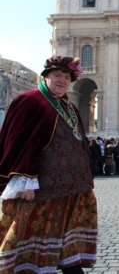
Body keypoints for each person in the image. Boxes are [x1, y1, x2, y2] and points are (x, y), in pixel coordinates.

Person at [0, 56, 97, 273]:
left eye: (66, 77)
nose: (62, 81)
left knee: (64, 240)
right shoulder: (30, 101)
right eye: (57, 76)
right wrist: (24, 180)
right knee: (31, 239)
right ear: (46, 77)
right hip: (39, 189)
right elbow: (17, 141)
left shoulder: (68, 105)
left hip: (70, 188)